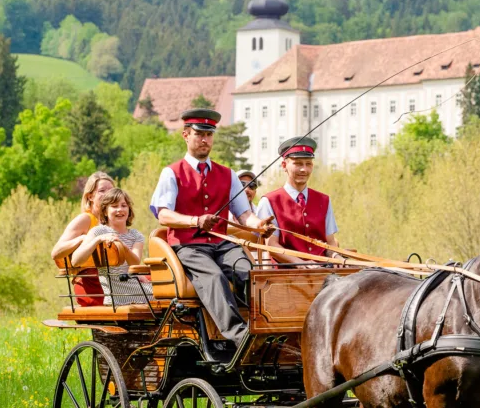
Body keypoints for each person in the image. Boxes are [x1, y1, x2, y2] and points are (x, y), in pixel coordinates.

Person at [150, 108, 273, 349]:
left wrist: (258, 225)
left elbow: (244, 214)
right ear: (186, 135)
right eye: (199, 134)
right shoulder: (171, 173)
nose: (205, 139)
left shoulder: (227, 174)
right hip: (187, 247)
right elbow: (163, 214)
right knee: (214, 277)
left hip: (221, 244)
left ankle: (264, 325)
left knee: (249, 272)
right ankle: (239, 336)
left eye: (209, 134)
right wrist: (195, 221)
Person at [256, 137, 339, 264]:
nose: (304, 170)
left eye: (308, 164)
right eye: (298, 163)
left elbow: (330, 242)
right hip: (287, 275)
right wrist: (301, 264)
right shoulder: (269, 201)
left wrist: (338, 258)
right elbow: (272, 245)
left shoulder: (324, 200)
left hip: (323, 271)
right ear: (284, 165)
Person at [72, 188, 153, 306]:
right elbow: (75, 261)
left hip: (134, 285)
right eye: (114, 206)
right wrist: (98, 240)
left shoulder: (136, 235)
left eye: (124, 205)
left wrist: (121, 244)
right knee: (164, 297)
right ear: (105, 211)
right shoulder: (98, 231)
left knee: (168, 293)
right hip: (115, 292)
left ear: (129, 210)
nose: (120, 209)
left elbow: (134, 263)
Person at [51, 171, 115, 307]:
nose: (108, 194)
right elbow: (56, 252)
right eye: (102, 190)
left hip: (111, 280)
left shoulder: (113, 221)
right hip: (90, 283)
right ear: (90, 196)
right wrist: (83, 239)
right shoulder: (85, 219)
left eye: (111, 190)